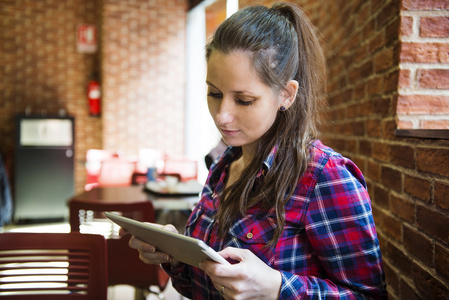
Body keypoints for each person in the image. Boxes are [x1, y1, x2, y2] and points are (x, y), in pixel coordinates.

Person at [130, 2, 388, 299]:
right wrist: (175, 256)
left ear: (286, 95)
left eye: (244, 100)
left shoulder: (324, 177)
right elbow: (197, 287)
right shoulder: (222, 168)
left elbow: (369, 295)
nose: (222, 115)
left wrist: (278, 288)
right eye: (214, 93)